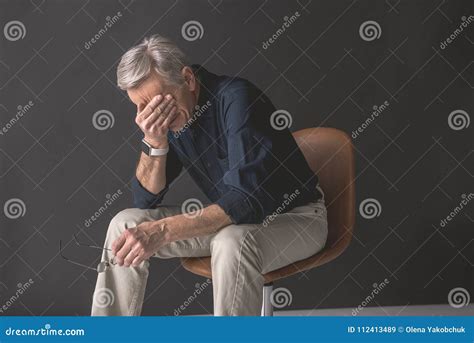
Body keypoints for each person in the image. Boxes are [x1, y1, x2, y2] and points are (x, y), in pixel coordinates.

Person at [91, 34, 328, 316]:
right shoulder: (177, 114)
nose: (151, 116)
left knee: (231, 243)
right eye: (139, 107)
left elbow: (245, 201)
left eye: (156, 103)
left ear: (188, 79)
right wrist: (153, 142)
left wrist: (162, 231)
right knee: (125, 223)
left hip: (296, 217)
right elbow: (145, 199)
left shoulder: (237, 99)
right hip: (231, 221)